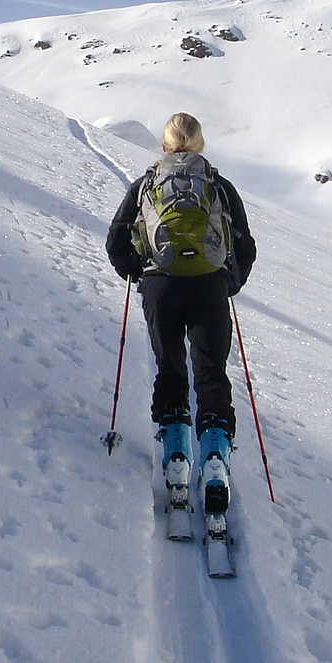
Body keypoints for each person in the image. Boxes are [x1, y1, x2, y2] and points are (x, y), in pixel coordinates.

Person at [105, 113, 257, 516]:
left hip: (161, 286)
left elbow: (117, 240)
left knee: (170, 369)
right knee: (211, 372)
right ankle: (215, 461)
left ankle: (176, 458)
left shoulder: (147, 185)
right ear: (200, 144)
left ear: (164, 145)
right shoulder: (219, 187)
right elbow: (244, 246)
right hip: (209, 286)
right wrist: (228, 282)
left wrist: (137, 272)